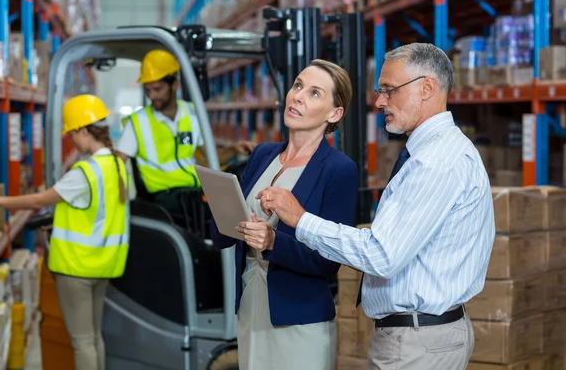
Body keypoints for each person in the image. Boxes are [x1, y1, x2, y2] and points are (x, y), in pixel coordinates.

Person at [258, 43, 495, 370]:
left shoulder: (435, 162)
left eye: (389, 90)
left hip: (417, 342)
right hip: (420, 337)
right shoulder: (436, 153)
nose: (380, 101)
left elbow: (383, 255)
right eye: (379, 90)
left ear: (427, 88)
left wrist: (301, 219)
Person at [210, 59, 359, 370]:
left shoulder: (338, 170)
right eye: (298, 85)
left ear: (335, 114)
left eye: (315, 93)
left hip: (299, 319)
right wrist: (224, 210)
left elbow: (330, 261)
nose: (298, 96)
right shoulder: (263, 154)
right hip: (251, 306)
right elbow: (220, 234)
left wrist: (273, 241)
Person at [0, 94, 129, 370]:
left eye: (71, 133)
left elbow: (40, 200)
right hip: (105, 264)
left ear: (83, 130)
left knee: (81, 342)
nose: (70, 140)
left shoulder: (86, 170)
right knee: (94, 338)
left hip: (78, 268)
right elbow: (96, 211)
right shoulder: (118, 164)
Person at [116, 49, 256, 215]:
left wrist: (233, 149)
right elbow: (118, 162)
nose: (152, 96)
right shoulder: (137, 122)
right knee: (214, 211)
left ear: (174, 84)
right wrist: (119, 201)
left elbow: (210, 158)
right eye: (148, 91)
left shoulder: (191, 113)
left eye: (157, 89)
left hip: (193, 190)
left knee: (241, 188)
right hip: (164, 195)